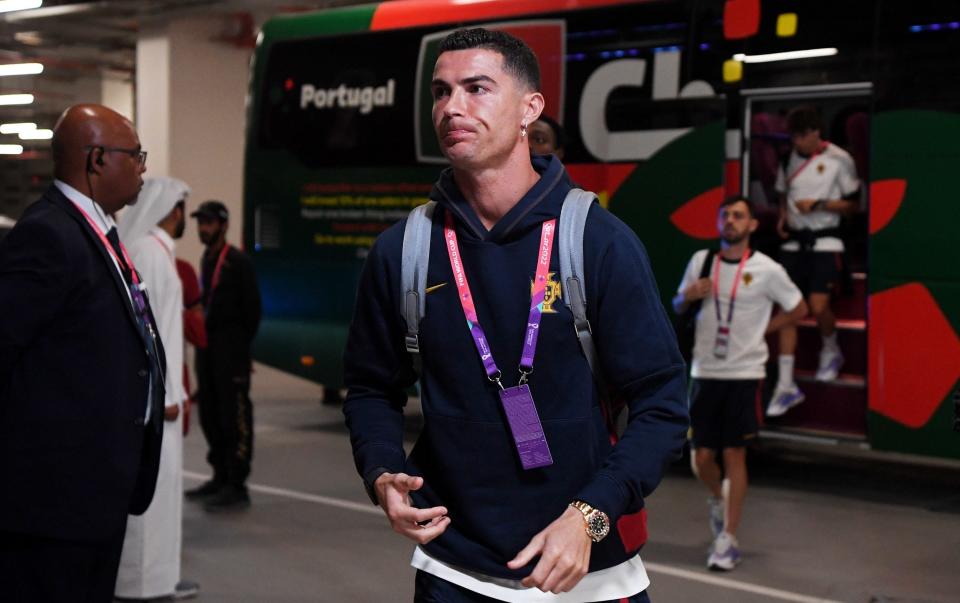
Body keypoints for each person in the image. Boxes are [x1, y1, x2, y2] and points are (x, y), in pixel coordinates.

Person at [343, 28, 687, 602]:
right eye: (441, 91)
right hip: (453, 571)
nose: (452, 106)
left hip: (587, 576)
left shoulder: (597, 242)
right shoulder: (404, 249)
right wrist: (381, 471)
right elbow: (369, 388)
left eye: (477, 88)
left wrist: (591, 516)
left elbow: (663, 406)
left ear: (531, 108)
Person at [0, 104, 163, 602]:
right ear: (95, 160)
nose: (142, 167)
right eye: (134, 155)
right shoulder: (49, 233)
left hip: (95, 489)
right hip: (54, 498)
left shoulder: (97, 230)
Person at [673, 196, 806, 571]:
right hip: (704, 372)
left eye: (738, 216)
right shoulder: (702, 262)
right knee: (701, 459)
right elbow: (677, 303)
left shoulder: (767, 269)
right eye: (725, 215)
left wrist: (765, 330)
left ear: (752, 226)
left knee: (735, 453)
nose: (730, 221)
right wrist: (687, 296)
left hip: (745, 374)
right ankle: (718, 497)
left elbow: (799, 308)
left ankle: (728, 538)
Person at [115, 177, 199, 600]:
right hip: (156, 400)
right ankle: (141, 584)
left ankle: (160, 578)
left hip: (164, 395)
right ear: (171, 209)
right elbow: (149, 330)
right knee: (151, 491)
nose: (184, 215)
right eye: (182, 206)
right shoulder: (149, 252)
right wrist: (165, 394)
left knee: (165, 491)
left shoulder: (157, 253)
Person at [768, 105, 859, 417]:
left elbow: (853, 205)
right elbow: (783, 194)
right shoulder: (787, 158)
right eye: (792, 137)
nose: (796, 143)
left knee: (818, 306)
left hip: (826, 239)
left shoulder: (839, 159)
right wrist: (784, 216)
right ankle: (785, 384)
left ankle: (831, 349)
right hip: (794, 242)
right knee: (787, 309)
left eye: (801, 137)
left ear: (815, 133)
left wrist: (820, 204)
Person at [186, 200, 261, 511]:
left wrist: (238, 349)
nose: (203, 228)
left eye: (209, 223)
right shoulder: (207, 258)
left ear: (223, 225)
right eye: (201, 223)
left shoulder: (237, 261)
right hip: (208, 350)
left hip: (231, 353)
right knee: (211, 416)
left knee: (235, 417)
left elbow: (253, 311)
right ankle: (219, 475)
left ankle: (236, 484)